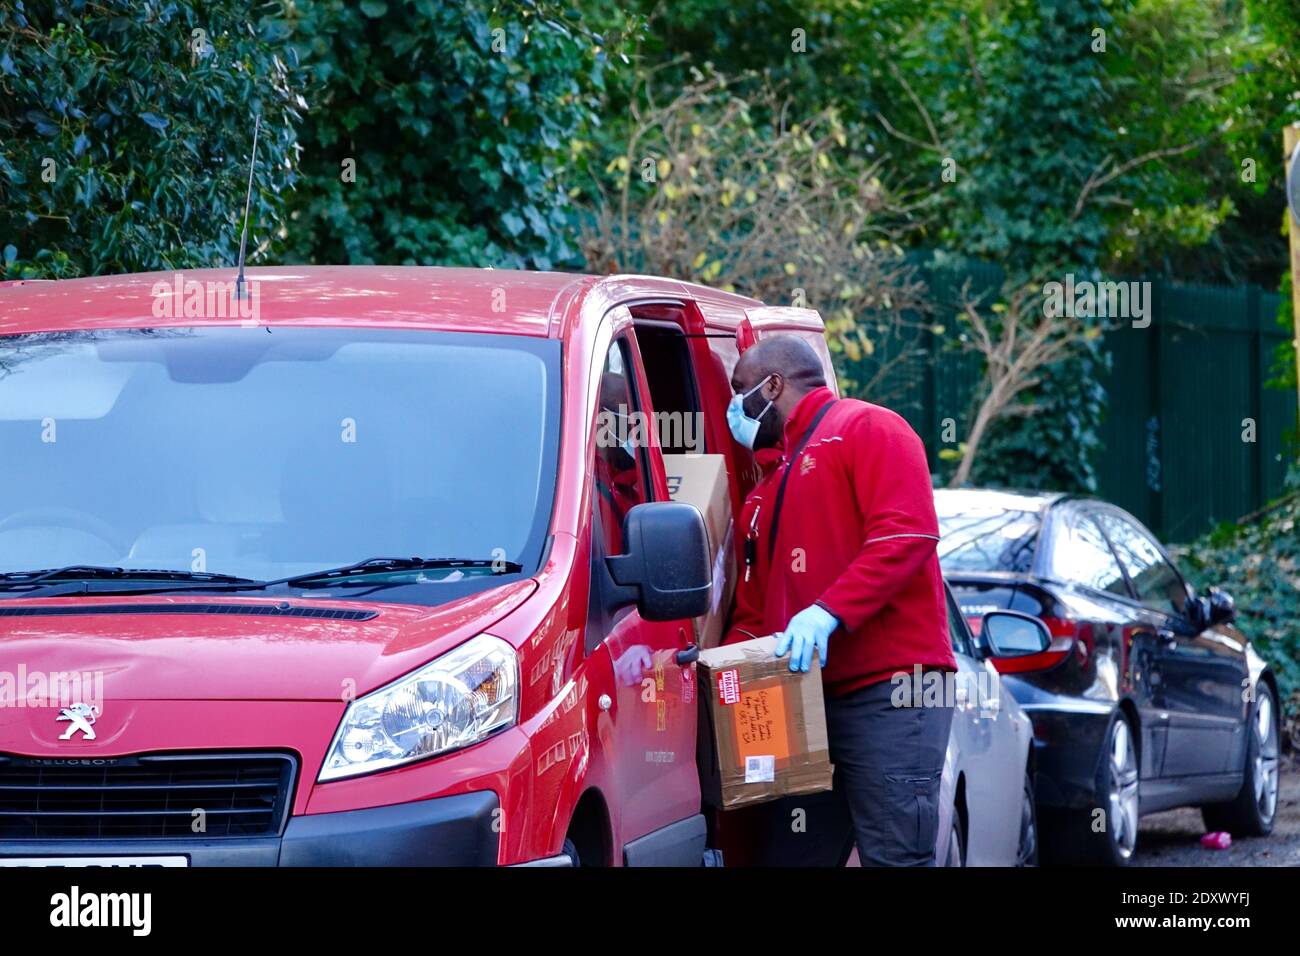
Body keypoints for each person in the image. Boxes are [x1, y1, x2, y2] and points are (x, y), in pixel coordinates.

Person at [721, 333, 956, 866]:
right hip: (805, 699)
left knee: (895, 857)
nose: (734, 407)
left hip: (892, 691)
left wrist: (828, 611)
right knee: (792, 857)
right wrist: (722, 674)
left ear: (772, 385)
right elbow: (756, 611)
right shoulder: (770, 487)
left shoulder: (868, 427)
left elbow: (907, 536)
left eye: (739, 390)